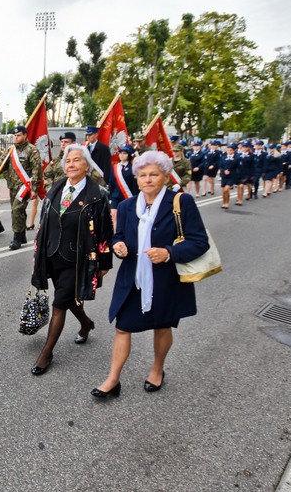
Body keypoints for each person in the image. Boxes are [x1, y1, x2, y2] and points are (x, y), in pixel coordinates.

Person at [91, 151, 209, 398]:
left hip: (165, 280)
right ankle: (113, 379)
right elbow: (119, 236)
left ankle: (157, 369)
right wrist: (118, 247)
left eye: (153, 174)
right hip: (132, 279)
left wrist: (168, 253)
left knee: (162, 326)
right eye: (142, 175)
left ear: (165, 177)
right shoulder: (125, 206)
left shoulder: (181, 202)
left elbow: (200, 242)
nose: (147, 179)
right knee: (123, 327)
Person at [30, 144, 113, 375]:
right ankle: (86, 323)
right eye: (68, 161)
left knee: (59, 304)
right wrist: (37, 252)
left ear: (87, 165)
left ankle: (46, 353)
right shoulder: (56, 188)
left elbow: (106, 230)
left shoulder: (97, 195)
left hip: (78, 259)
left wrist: (104, 263)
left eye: (77, 160)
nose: (71, 164)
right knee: (68, 298)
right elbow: (44, 223)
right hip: (52, 253)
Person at [0, 125, 41, 250]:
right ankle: (22, 235)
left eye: (18, 135)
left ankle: (16, 238)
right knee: (18, 210)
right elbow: (1, 164)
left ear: (25, 135)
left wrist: (35, 188)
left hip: (25, 187)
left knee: (16, 210)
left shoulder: (32, 150)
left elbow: (37, 170)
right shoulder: (10, 150)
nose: (16, 138)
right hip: (13, 186)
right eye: (14, 136)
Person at [108, 144, 138, 227]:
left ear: (129, 155)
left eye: (125, 153)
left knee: (127, 218)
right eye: (120, 153)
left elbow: (134, 185)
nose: (122, 155)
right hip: (115, 196)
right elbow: (111, 183)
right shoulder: (115, 167)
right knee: (114, 216)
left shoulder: (133, 168)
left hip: (127, 197)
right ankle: (115, 235)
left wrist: (135, 198)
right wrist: (110, 197)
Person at [219, 143, 239, 209]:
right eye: (228, 150)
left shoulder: (237, 158)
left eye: (231, 150)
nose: (229, 151)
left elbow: (238, 167)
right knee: (223, 191)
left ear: (234, 151)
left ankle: (227, 203)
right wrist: (224, 171)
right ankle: (224, 202)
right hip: (224, 176)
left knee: (226, 189)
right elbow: (221, 166)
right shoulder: (223, 158)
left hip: (232, 176)